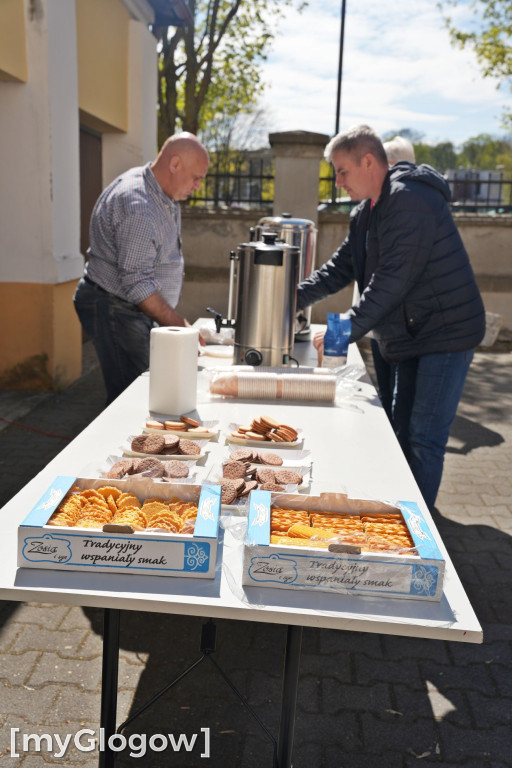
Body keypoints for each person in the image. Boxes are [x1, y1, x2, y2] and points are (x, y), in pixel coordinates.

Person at [296, 125, 485, 511]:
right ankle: (399, 513)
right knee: (398, 433)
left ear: (369, 161)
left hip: (446, 334)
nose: (338, 182)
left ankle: (417, 529)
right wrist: (286, 298)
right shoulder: (366, 211)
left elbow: (391, 280)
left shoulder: (410, 200)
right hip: (409, 334)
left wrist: (346, 327)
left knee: (423, 437)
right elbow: (338, 270)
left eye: (342, 171)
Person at [74, 133, 209, 405]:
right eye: (196, 177)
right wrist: (179, 326)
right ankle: (124, 445)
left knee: (144, 390)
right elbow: (138, 284)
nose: (197, 186)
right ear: (174, 164)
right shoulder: (139, 206)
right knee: (137, 398)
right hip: (115, 307)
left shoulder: (161, 189)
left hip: (126, 306)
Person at [370, 135, 417, 419]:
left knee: (400, 399)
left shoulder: (410, 206)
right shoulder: (376, 203)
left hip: (400, 323)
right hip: (380, 318)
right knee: (387, 393)